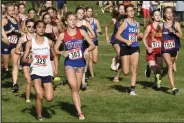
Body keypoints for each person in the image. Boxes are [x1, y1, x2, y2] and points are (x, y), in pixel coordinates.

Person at [54, 12, 95, 120]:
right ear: (66, 22)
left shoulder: (81, 31)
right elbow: (55, 48)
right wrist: (62, 52)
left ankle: (76, 104)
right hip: (69, 64)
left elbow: (92, 44)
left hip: (80, 63)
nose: (73, 21)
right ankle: (80, 113)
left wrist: (87, 50)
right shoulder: (63, 35)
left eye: (74, 19)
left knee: (76, 88)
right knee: (73, 87)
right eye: (71, 20)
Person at [22, 20, 58, 121]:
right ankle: (39, 116)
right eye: (39, 27)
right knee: (40, 94)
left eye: (43, 27)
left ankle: (40, 97)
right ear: (35, 29)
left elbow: (55, 56)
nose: (41, 29)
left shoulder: (49, 42)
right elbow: (23, 58)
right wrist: (29, 60)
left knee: (49, 98)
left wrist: (55, 68)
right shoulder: (30, 43)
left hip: (47, 71)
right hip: (35, 71)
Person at [115, 4, 143, 95]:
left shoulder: (137, 24)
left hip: (135, 48)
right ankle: (118, 60)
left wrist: (140, 36)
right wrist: (126, 41)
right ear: (126, 13)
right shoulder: (125, 23)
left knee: (134, 70)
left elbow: (138, 37)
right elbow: (117, 36)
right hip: (125, 48)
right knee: (126, 72)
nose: (132, 12)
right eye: (129, 11)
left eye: (132, 10)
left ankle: (132, 90)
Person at [161, 6, 183, 95]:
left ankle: (159, 76)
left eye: (171, 12)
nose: (169, 14)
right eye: (167, 12)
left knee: (169, 68)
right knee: (170, 65)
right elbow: (154, 34)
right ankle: (173, 88)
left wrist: (173, 31)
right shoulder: (161, 25)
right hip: (165, 49)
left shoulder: (176, 24)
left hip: (174, 48)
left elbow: (182, 36)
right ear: (164, 14)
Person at [15, 19, 35, 102]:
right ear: (26, 27)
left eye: (33, 26)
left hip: (35, 61)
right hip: (25, 61)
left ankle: (39, 94)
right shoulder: (22, 38)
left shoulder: (38, 38)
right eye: (29, 26)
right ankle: (27, 99)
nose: (31, 28)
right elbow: (16, 50)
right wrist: (22, 52)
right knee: (28, 79)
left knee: (36, 80)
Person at [2, 3, 21, 92]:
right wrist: (8, 31)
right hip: (6, 44)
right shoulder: (4, 20)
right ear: (6, 11)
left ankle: (15, 84)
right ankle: (3, 70)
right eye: (9, 10)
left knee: (15, 64)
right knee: (5, 66)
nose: (11, 12)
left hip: (14, 45)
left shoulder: (16, 20)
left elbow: (18, 31)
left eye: (13, 10)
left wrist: (20, 33)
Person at [75, 6, 95, 89]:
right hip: (75, 45)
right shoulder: (73, 23)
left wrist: (86, 37)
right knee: (75, 63)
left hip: (84, 44)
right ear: (76, 14)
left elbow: (93, 34)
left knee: (83, 63)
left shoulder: (86, 23)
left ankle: (83, 82)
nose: (81, 15)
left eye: (82, 13)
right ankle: (76, 80)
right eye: (79, 13)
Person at [142, 10, 163, 88]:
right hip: (151, 51)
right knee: (154, 69)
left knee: (159, 69)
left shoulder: (162, 26)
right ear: (153, 17)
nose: (158, 16)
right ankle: (148, 68)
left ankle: (155, 82)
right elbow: (144, 39)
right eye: (156, 15)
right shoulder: (149, 27)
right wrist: (147, 47)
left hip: (160, 50)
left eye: (159, 15)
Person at [105, 4, 125, 82]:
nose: (122, 10)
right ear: (118, 10)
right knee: (121, 55)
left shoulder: (127, 20)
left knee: (122, 58)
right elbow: (106, 26)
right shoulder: (114, 19)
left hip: (123, 40)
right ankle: (117, 58)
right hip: (115, 39)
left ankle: (117, 75)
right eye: (120, 9)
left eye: (123, 9)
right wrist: (106, 36)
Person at [85, 6, 102, 78]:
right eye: (88, 11)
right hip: (87, 42)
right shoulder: (83, 21)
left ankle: (89, 71)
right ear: (85, 12)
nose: (89, 13)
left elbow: (100, 29)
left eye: (91, 11)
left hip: (94, 41)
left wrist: (93, 32)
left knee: (95, 60)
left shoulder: (95, 21)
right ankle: (91, 74)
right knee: (90, 58)